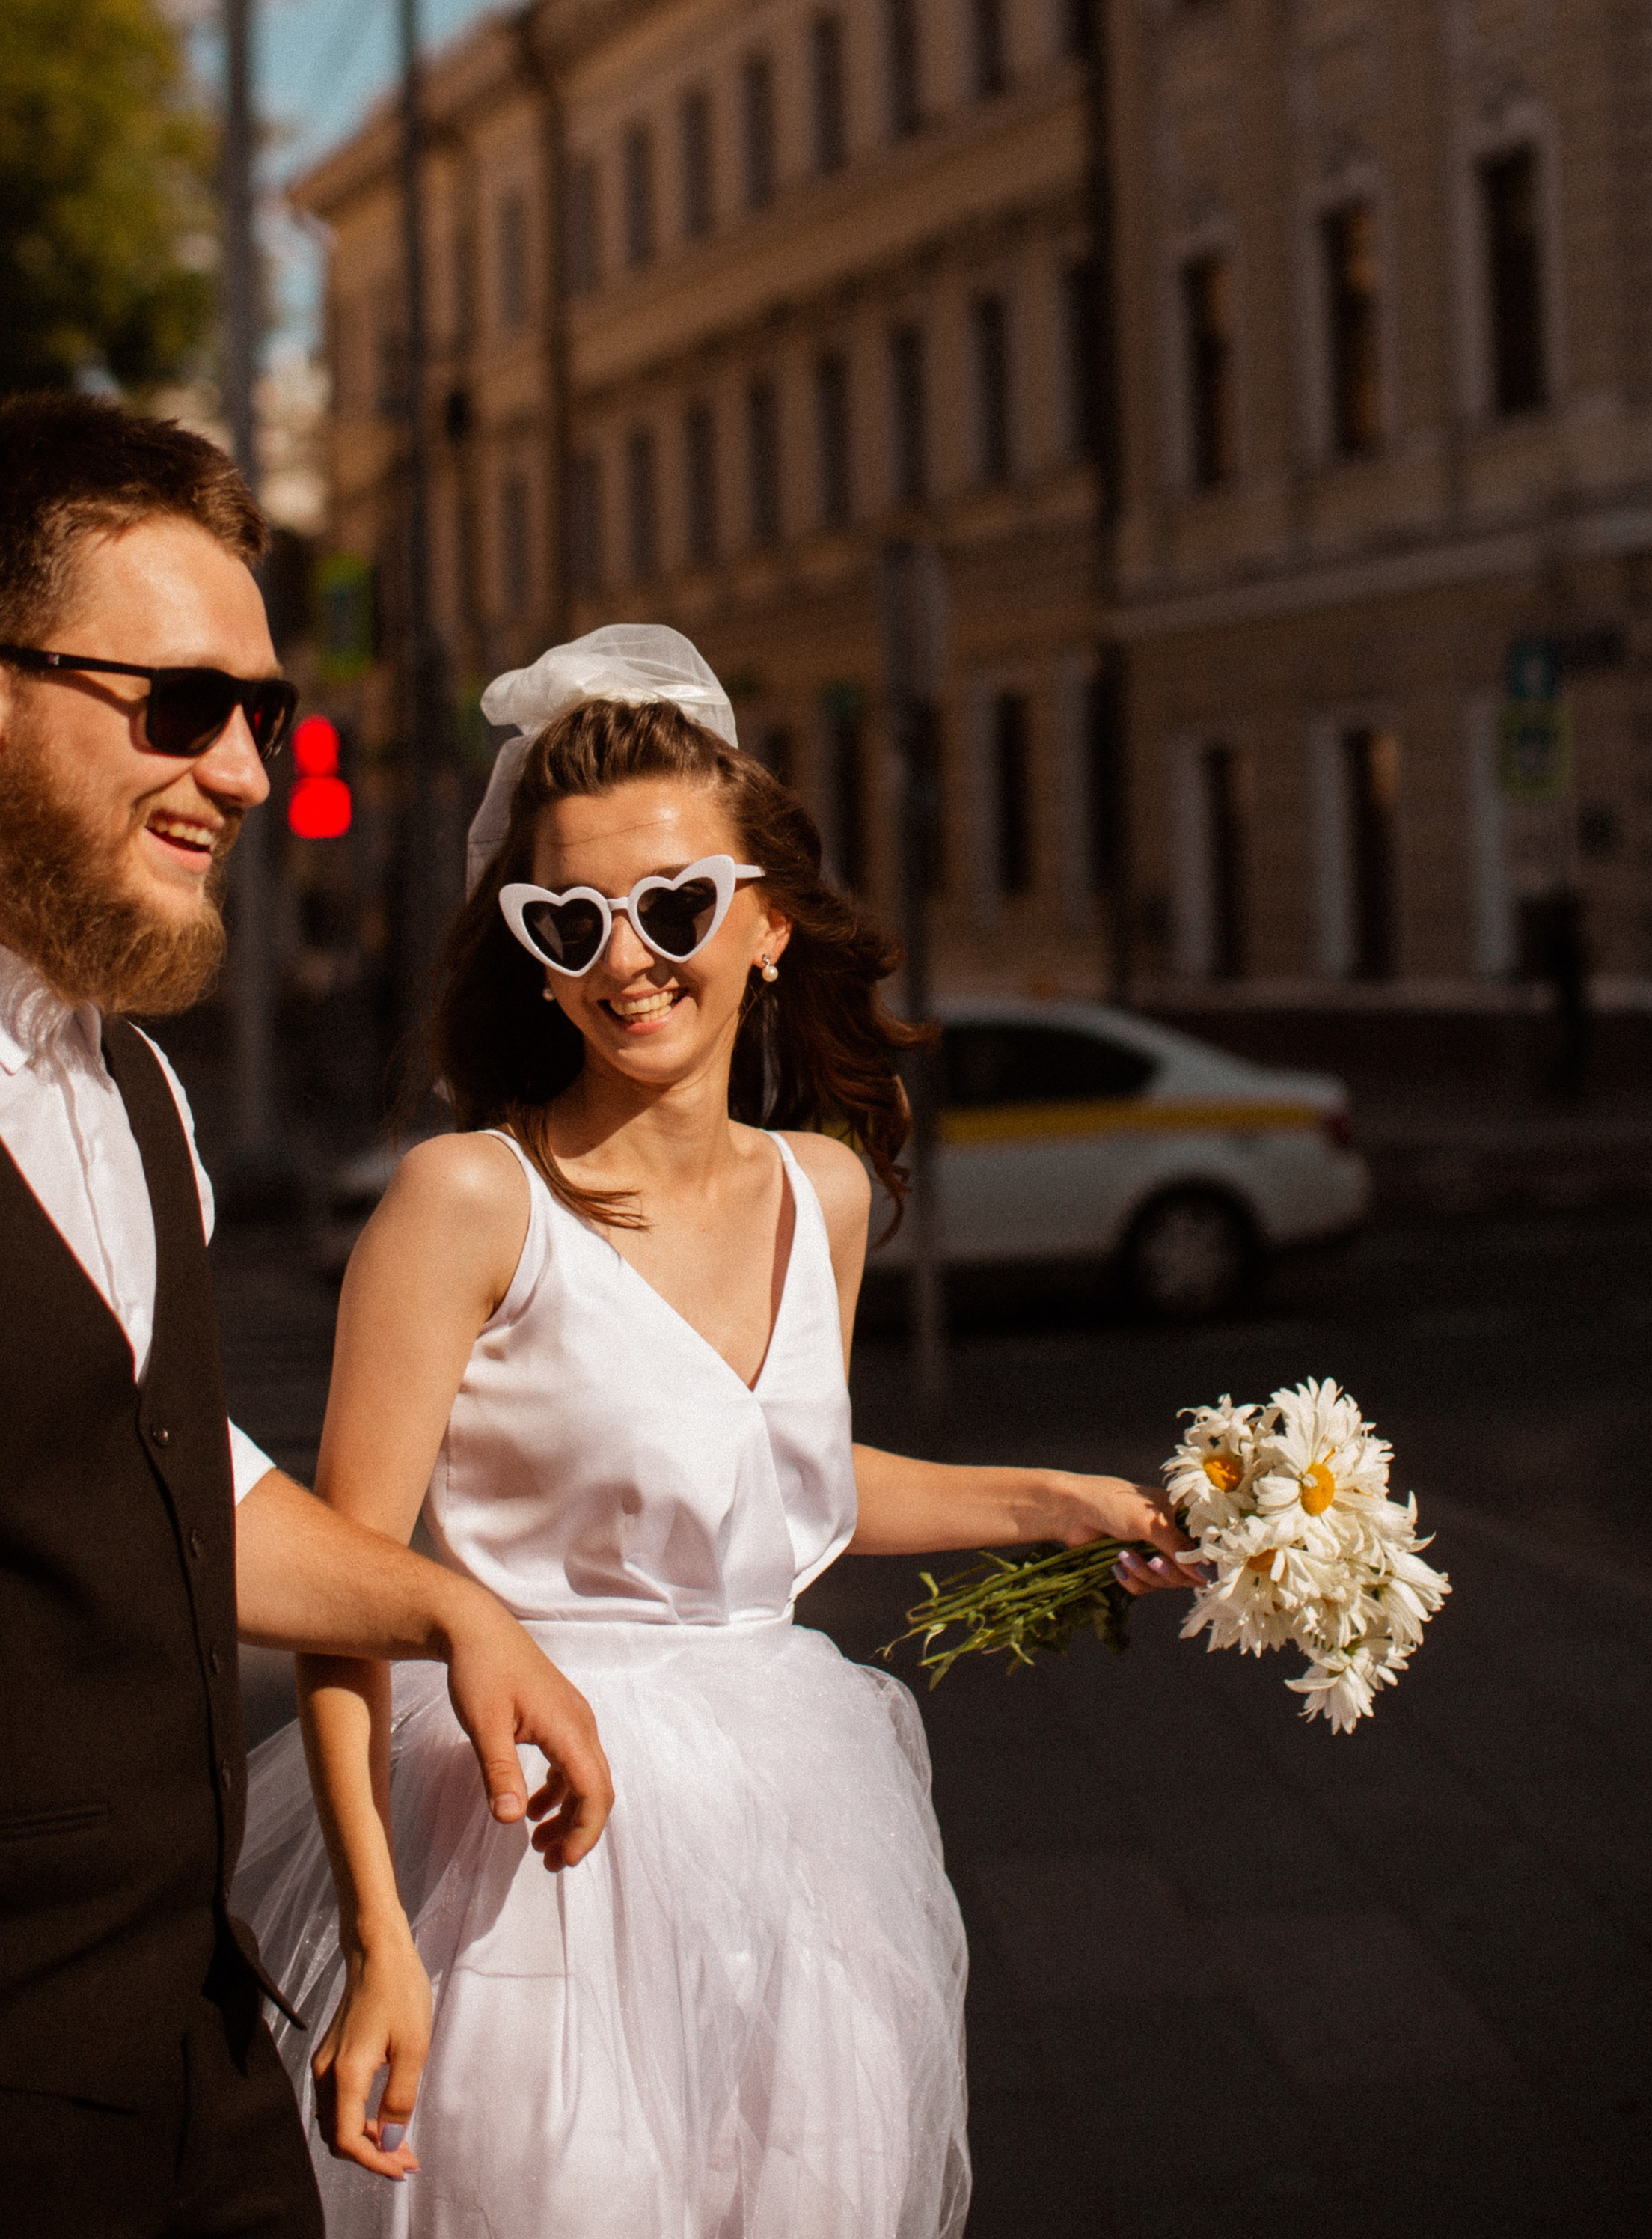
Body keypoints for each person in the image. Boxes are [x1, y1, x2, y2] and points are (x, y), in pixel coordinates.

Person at [236, 626, 1199, 2238]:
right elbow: (348, 1587)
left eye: (674, 905)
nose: (628, 959)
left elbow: (777, 1489)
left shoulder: (818, 1194)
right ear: (531, 954)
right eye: (571, 919)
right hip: (526, 1861)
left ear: (762, 921)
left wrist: (1058, 1501)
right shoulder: (467, 1201)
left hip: (797, 1848)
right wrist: (381, 1936)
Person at [0, 396, 612, 2239]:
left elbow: (163, 1471)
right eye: (182, 707)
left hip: (198, 2072)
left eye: (261, 714)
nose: (249, 774)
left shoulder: (135, 1093)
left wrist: (442, 1606)